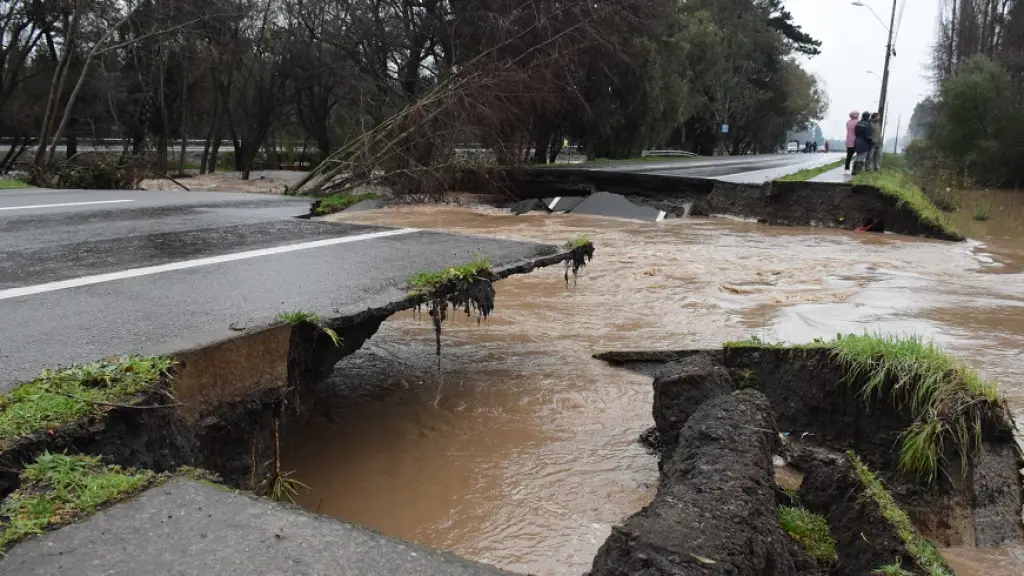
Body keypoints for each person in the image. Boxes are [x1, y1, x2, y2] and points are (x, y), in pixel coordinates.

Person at [853, 111, 874, 175]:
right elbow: (868, 136)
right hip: (864, 143)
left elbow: (855, 133)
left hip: (857, 141)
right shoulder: (868, 124)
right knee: (861, 157)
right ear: (868, 117)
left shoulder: (858, 123)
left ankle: (854, 170)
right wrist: (871, 142)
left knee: (857, 156)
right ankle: (858, 172)